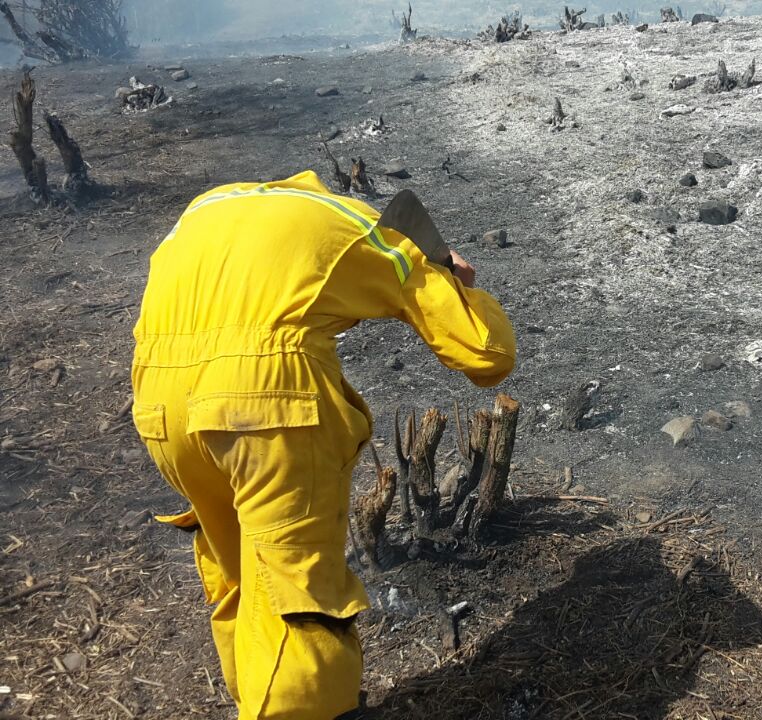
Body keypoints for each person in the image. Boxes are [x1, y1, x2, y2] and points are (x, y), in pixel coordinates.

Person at [130, 171, 515, 719]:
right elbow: (486, 355)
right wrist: (457, 282)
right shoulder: (353, 223)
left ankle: (258, 703)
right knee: (296, 602)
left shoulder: (204, 209)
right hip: (262, 410)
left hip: (158, 408)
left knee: (243, 580)